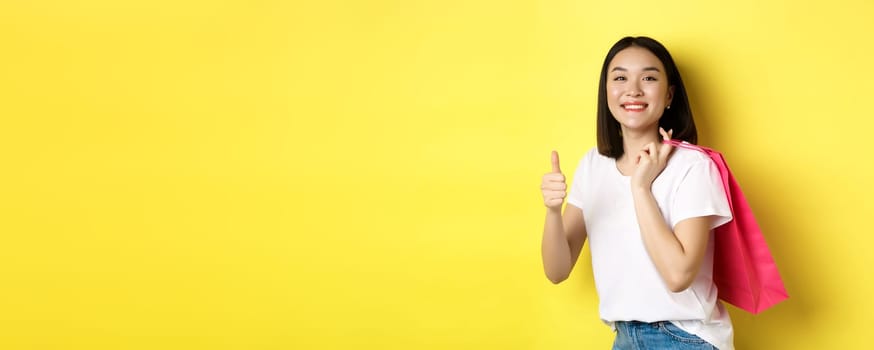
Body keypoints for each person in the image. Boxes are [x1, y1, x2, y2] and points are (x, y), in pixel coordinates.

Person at [540, 36, 734, 350]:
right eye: (619, 78)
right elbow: (557, 270)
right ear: (606, 93)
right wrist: (551, 211)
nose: (633, 89)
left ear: (669, 94)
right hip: (624, 339)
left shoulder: (693, 166)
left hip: (684, 339)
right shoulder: (593, 165)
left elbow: (678, 275)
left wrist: (641, 188)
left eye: (648, 78)